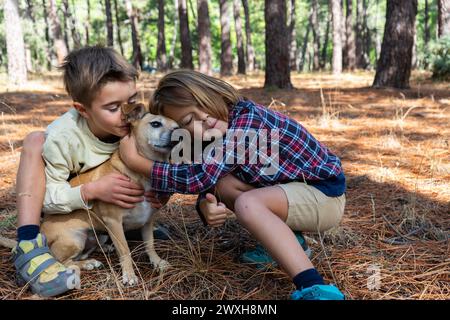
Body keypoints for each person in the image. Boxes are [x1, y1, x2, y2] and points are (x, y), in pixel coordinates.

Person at [119, 70, 347, 300]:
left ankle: (314, 288)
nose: (204, 117)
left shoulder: (249, 121)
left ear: (215, 91)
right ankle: (290, 242)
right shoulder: (212, 136)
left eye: (204, 103)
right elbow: (209, 178)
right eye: (189, 121)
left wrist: (139, 163)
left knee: (248, 204)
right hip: (291, 193)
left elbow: (197, 177)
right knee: (224, 183)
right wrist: (204, 204)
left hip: (323, 196)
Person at [13, 46, 169, 297]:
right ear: (83, 110)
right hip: (63, 206)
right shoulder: (64, 137)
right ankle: (29, 243)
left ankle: (127, 231)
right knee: (34, 140)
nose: (126, 113)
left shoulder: (136, 125)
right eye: (112, 107)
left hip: (105, 214)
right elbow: (48, 197)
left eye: (131, 101)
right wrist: (91, 190)